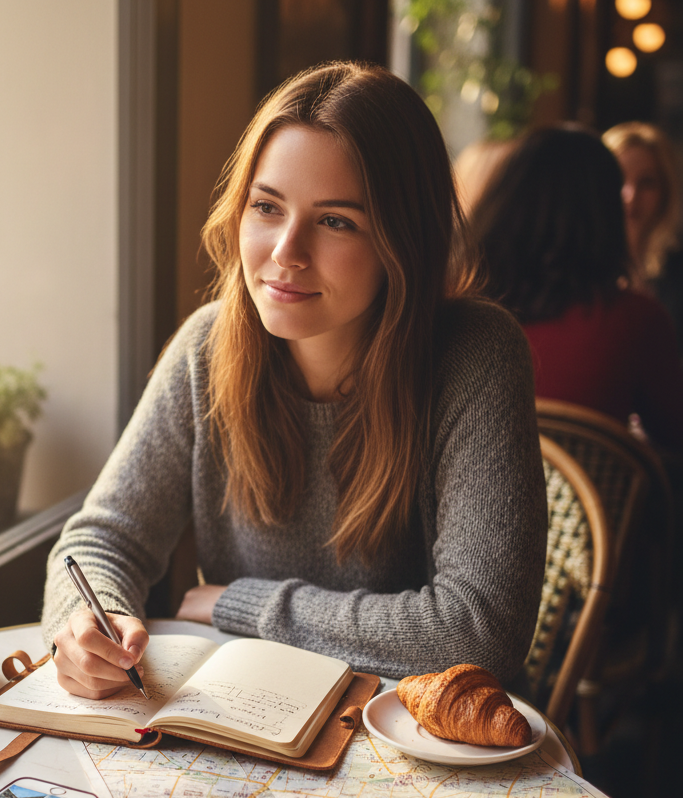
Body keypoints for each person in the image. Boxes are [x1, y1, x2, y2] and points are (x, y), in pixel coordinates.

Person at [42, 63, 547, 699]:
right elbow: (102, 538)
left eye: (335, 220)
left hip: (419, 747)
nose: (286, 250)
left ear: (403, 241)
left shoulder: (476, 354)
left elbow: (478, 632)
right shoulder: (208, 344)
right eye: (267, 207)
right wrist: (85, 623)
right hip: (258, 726)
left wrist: (243, 606)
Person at [469, 125, 683, 452]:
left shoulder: (460, 311)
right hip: (592, 500)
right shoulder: (634, 320)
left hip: (471, 500)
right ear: (604, 214)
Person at [603, 121, 683, 346]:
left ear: (665, 191)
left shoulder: (677, 272)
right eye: (619, 178)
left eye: (646, 182)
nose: (631, 195)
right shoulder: (579, 269)